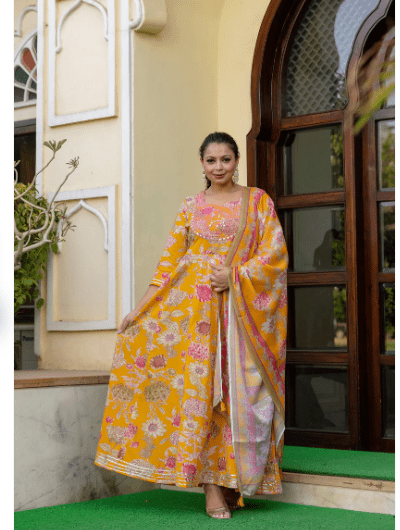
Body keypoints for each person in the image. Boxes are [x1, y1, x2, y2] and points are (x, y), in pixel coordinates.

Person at [95, 132, 288, 519]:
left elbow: (275, 255)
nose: (219, 167)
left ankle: (234, 479)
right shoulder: (190, 206)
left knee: (235, 394)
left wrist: (234, 276)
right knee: (202, 397)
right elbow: (168, 265)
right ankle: (211, 488)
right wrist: (140, 310)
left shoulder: (257, 201)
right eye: (211, 160)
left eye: (226, 159)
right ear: (201, 164)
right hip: (194, 320)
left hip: (240, 318)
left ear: (237, 161)